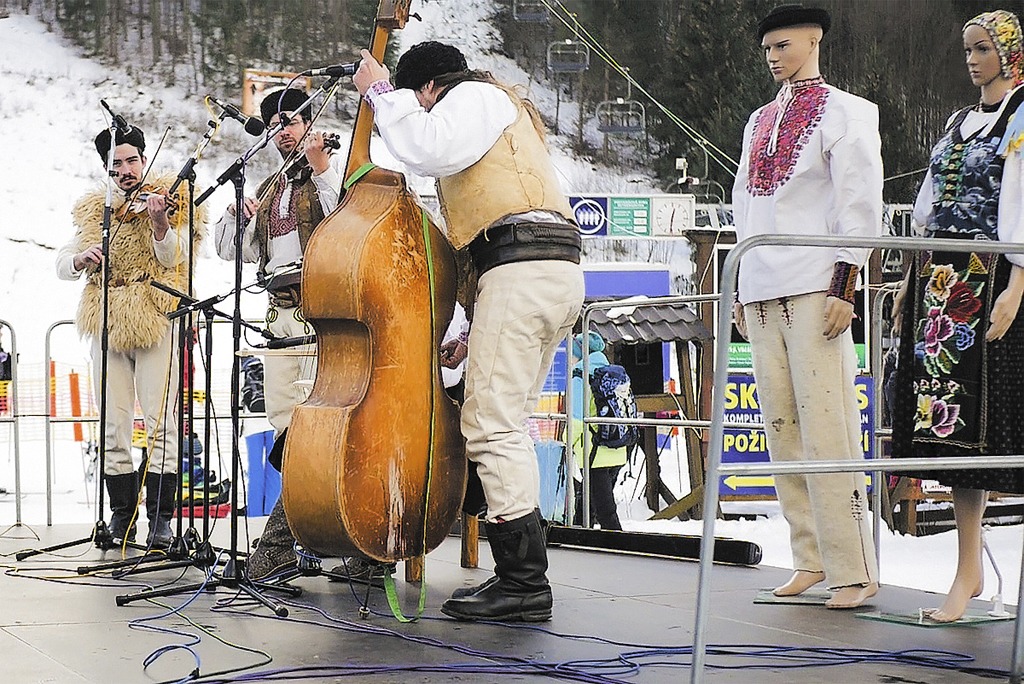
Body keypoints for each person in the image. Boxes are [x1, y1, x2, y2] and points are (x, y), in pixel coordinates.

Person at [354, 41, 585, 622]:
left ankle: (524, 583)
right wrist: (479, 324)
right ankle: (522, 574)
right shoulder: (501, 108)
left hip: (522, 270)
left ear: (428, 88)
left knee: (489, 423)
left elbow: (425, 148)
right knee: (507, 419)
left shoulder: (474, 96)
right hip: (541, 271)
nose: (423, 111)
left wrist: (383, 93)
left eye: (418, 100)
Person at [731, 4, 882, 609]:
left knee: (829, 425)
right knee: (782, 429)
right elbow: (743, 205)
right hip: (763, 283)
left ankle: (855, 567)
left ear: (815, 40)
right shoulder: (758, 119)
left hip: (817, 282)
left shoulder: (849, 112)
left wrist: (847, 281)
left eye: (784, 44)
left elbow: (859, 199)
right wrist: (740, 284)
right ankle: (810, 557)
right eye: (767, 46)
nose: (774, 55)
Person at [891, 9, 1024, 623]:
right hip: (942, 281)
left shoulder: (1020, 116)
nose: (972, 59)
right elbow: (928, 204)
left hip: (991, 277)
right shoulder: (957, 121)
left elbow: (1021, 198)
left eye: (982, 49)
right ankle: (967, 568)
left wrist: (1018, 280)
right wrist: (910, 278)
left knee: (994, 423)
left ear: (1007, 52)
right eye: (967, 50)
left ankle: (974, 571)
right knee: (950, 427)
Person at [213, 87, 343, 580]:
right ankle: (305, 540)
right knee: (288, 429)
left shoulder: (334, 169)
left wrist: (324, 168)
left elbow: (343, 225)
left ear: (310, 121)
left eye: (291, 121)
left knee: (317, 430)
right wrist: (234, 215)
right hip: (278, 319)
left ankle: (289, 542)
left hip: (322, 319)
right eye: (275, 125)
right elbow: (234, 252)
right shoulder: (269, 186)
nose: (283, 132)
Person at [56, 124, 205, 548]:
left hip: (154, 315)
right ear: (107, 168)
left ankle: (161, 519)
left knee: (161, 422)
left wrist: (160, 223)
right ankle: (122, 516)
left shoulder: (171, 198)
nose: (126, 170)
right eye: (116, 164)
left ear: (144, 158)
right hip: (107, 318)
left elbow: (175, 257)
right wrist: (81, 259)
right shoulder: (95, 210)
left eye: (132, 160)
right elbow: (64, 259)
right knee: (112, 422)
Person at [570, 332, 626, 531]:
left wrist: (566, 442)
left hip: (594, 454)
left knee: (606, 513)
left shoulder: (580, 374)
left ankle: (621, 550)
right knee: (586, 503)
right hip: (617, 449)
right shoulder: (613, 373)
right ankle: (577, 537)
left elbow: (575, 418)